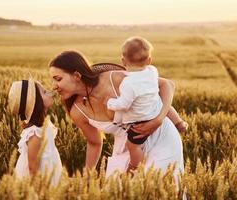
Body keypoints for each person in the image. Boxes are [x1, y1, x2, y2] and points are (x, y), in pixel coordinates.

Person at [48, 50, 184, 183]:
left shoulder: (114, 79)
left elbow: (167, 84)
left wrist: (158, 120)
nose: (54, 86)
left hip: (160, 137)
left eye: (58, 79)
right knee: (120, 192)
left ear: (76, 75)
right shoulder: (77, 111)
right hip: (126, 148)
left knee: (160, 189)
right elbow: (94, 143)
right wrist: (87, 176)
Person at [106, 36, 188, 171]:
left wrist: (111, 103)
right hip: (155, 110)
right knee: (161, 102)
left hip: (141, 120)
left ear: (123, 61)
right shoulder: (152, 71)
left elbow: (124, 104)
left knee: (133, 146)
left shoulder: (128, 83)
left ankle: (134, 166)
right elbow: (165, 85)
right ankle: (178, 123)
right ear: (149, 60)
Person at [8, 78, 62, 186]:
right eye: (44, 92)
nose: (48, 91)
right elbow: (32, 167)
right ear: (38, 103)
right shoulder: (35, 134)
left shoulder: (44, 125)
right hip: (39, 179)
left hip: (49, 171)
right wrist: (39, 189)